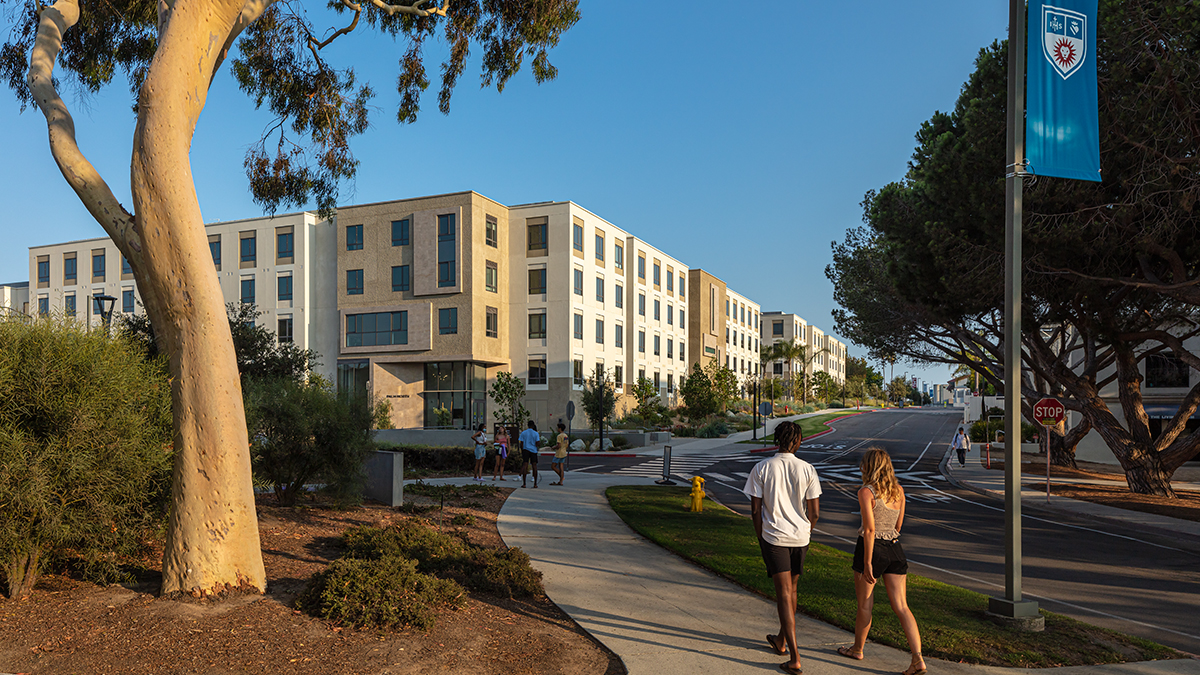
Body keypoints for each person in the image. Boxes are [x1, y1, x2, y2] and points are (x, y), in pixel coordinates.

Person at [836, 447, 926, 675]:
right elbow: (898, 526)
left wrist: (867, 562)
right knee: (902, 606)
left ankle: (857, 649)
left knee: (865, 604)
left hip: (871, 549)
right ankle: (917, 659)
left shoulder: (866, 492)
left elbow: (869, 529)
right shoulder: (899, 491)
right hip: (895, 548)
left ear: (868, 467)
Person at [743, 421, 820, 675]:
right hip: (800, 538)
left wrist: (760, 537)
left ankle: (795, 657)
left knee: (784, 594)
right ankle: (780, 639)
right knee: (792, 589)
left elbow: (755, 510)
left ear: (777, 440)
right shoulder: (808, 469)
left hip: (774, 538)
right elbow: (815, 512)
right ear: (797, 442)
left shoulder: (762, 467)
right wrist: (806, 531)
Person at [518, 420, 541, 488]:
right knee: (534, 466)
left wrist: (522, 450)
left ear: (527, 425)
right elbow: (537, 443)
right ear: (533, 425)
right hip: (533, 450)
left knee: (525, 465)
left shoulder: (523, 433)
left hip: (526, 450)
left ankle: (524, 483)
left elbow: (521, 443)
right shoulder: (536, 433)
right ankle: (535, 483)